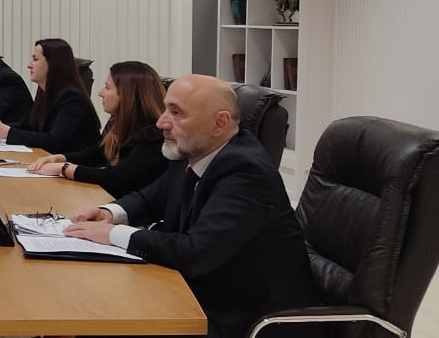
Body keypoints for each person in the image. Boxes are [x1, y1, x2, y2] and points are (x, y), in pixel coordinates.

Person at [63, 74, 317, 338]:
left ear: (220, 123)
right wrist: (109, 213)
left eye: (176, 113)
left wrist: (112, 234)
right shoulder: (194, 150)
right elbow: (151, 198)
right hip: (199, 295)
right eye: (165, 109)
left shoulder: (246, 172)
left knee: (94, 320)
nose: (161, 122)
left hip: (245, 319)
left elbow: (195, 253)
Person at [25, 61, 168, 197]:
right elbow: (95, 155)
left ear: (127, 95)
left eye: (107, 88)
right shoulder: (122, 124)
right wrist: (59, 158)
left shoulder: (153, 136)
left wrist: (64, 168)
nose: (100, 93)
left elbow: (116, 179)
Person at [0, 38, 100, 154]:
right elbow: (31, 125)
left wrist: (8, 132)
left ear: (53, 64)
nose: (29, 65)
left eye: (35, 59)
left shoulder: (72, 97)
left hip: (74, 162)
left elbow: (54, 141)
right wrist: (2, 126)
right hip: (49, 159)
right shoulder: (44, 90)